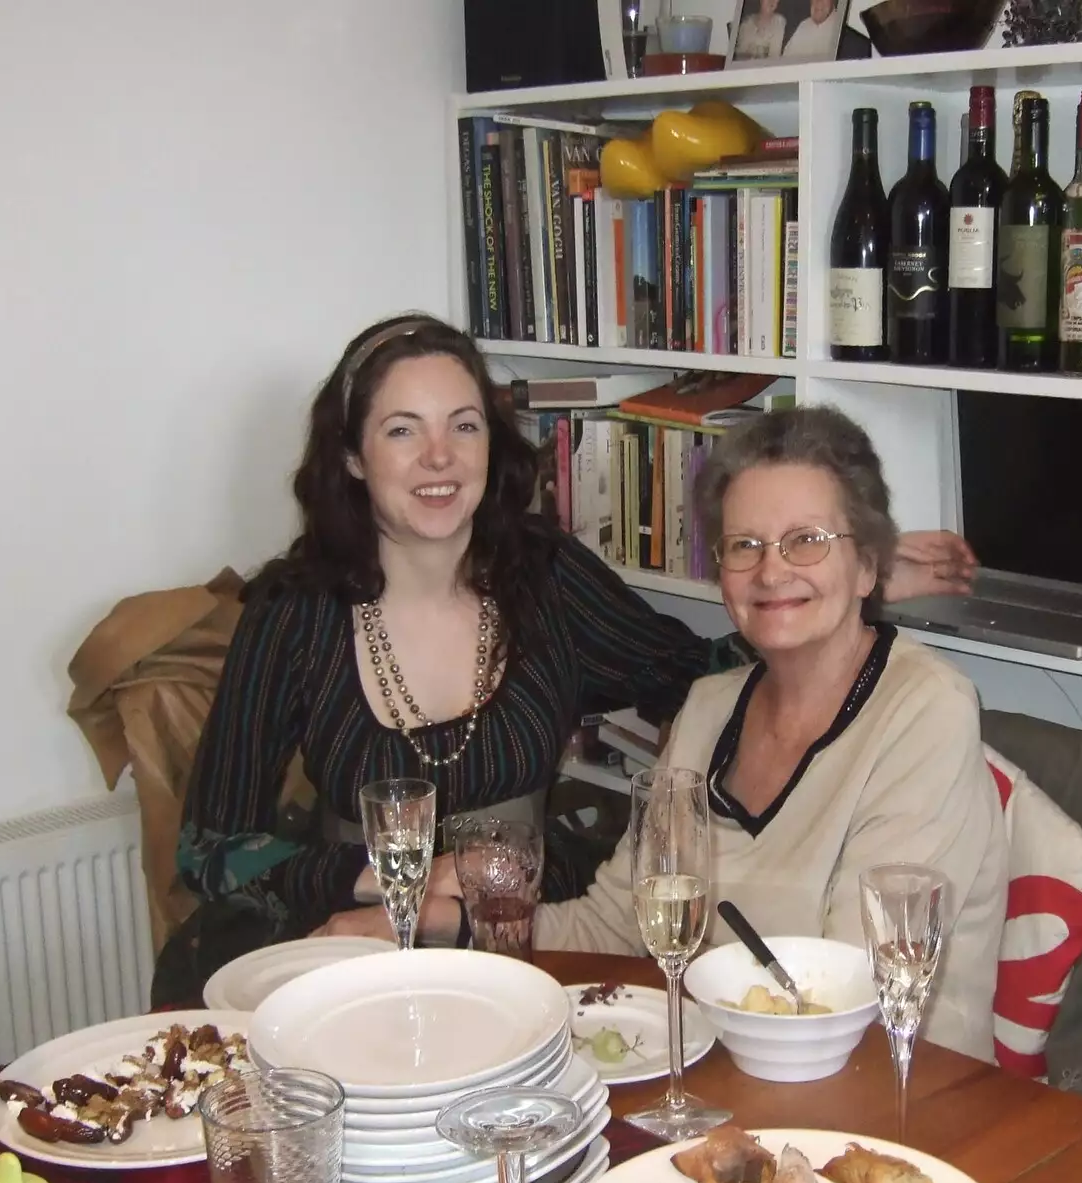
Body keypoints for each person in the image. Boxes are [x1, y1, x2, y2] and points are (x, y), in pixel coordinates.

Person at [162, 314, 975, 994]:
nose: (439, 457)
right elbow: (207, 849)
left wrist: (842, 579)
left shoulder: (544, 577)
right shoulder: (293, 611)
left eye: (464, 425)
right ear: (350, 457)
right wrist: (381, 878)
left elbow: (699, 679)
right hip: (356, 931)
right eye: (402, 430)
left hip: (522, 928)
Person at [536, 405, 1007, 1062]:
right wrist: (467, 925)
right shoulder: (706, 710)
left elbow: (849, 993)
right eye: (744, 544)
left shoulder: (926, 710)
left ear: (868, 566)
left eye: (807, 539)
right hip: (722, 1074)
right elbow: (614, 923)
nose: (771, 570)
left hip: (896, 1100)